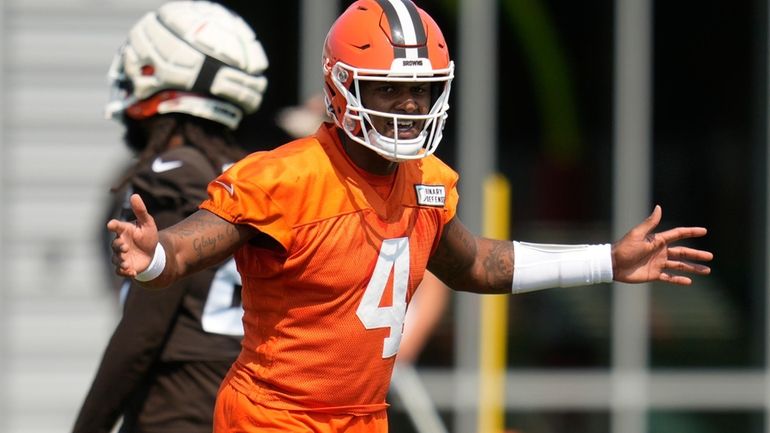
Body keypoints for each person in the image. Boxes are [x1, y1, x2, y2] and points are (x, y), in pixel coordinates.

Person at [106, 1, 713, 432]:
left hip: (365, 418)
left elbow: (475, 263)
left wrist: (606, 260)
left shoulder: (427, 180)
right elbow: (196, 242)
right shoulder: (286, 175)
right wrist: (156, 255)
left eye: (420, 89)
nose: (407, 104)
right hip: (274, 417)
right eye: (387, 88)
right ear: (342, 89)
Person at [72, 2, 269, 433]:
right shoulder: (251, 174)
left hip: (175, 410)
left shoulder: (173, 173)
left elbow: (142, 334)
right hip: (247, 407)